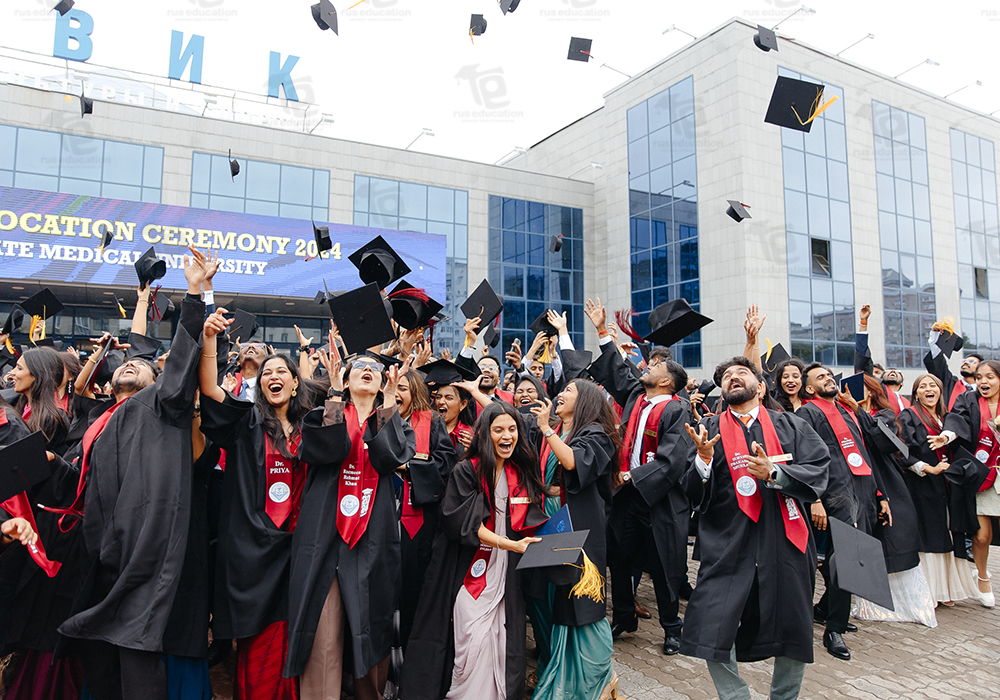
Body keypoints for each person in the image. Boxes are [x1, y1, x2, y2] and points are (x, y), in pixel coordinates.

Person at [57, 247, 213, 700]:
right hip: (97, 553)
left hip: (141, 551)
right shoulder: (98, 421)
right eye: (127, 361)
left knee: (136, 660)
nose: (132, 362)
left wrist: (194, 293)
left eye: (143, 366)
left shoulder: (160, 408)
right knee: (100, 664)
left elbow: (179, 366)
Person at [682, 357, 829, 700]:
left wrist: (776, 474)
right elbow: (689, 490)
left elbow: (820, 467)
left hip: (785, 538)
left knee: (794, 626)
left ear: (761, 387)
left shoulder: (790, 426)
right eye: (727, 377)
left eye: (742, 373)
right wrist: (703, 460)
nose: (733, 378)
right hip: (727, 540)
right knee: (711, 624)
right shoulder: (707, 428)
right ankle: (735, 695)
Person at [284, 348, 415, 700]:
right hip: (325, 534)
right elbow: (326, 450)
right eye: (359, 366)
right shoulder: (321, 415)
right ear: (345, 377)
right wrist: (335, 396)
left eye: (375, 367)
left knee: (369, 625)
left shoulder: (395, 421)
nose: (368, 370)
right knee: (323, 630)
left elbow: (389, 457)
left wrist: (389, 402)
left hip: (373, 536)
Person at [401, 402, 546, 700]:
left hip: (507, 573)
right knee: (471, 636)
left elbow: (532, 517)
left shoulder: (520, 472)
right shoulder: (467, 471)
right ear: (485, 435)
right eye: (498, 430)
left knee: (501, 640)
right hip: (467, 570)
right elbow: (464, 523)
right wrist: (511, 545)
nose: (507, 436)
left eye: (512, 429)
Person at [584, 297, 694, 656]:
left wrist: (632, 476)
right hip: (625, 497)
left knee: (662, 565)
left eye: (655, 366)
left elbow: (673, 460)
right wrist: (602, 331)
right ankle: (624, 616)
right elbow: (618, 370)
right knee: (619, 558)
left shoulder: (677, 410)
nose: (647, 366)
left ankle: (672, 627)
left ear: (667, 381)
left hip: (657, 499)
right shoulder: (637, 397)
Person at [526, 380, 619, 700]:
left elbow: (573, 462)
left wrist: (545, 429)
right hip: (547, 525)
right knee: (542, 598)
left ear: (586, 401)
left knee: (579, 604)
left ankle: (599, 677)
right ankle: (553, 664)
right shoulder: (554, 430)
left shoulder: (596, 434)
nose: (561, 394)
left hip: (578, 533)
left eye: (569, 391)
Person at [796, 362, 888, 661]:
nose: (828, 379)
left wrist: (880, 495)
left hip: (862, 490)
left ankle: (827, 609)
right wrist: (815, 499)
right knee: (844, 559)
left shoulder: (848, 411)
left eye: (828, 375)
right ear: (810, 388)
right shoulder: (807, 414)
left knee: (853, 558)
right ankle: (833, 629)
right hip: (833, 493)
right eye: (820, 377)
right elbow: (806, 459)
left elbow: (864, 454)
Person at [852, 373, 935, 627]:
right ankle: (871, 603)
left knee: (895, 536)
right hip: (863, 483)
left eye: (859, 387)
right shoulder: (846, 416)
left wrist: (858, 410)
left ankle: (909, 604)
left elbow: (882, 442)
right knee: (871, 540)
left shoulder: (885, 415)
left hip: (888, 481)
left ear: (871, 391)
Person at [897, 374, 977, 605]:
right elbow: (901, 450)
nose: (928, 389)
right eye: (922, 386)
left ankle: (946, 590)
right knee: (929, 534)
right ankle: (929, 591)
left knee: (948, 533)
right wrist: (927, 468)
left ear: (940, 391)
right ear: (916, 393)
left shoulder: (947, 418)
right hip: (922, 484)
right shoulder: (908, 415)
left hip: (949, 485)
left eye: (933, 385)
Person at [396, 367, 459, 650]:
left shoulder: (431, 421)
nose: (396, 394)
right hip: (380, 515)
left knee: (413, 584)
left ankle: (409, 652)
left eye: (402, 388)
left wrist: (408, 466)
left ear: (415, 392)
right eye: (393, 388)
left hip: (417, 519)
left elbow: (446, 463)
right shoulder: (376, 419)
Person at [932, 359, 1000, 609]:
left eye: (990, 377)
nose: (983, 381)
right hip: (980, 475)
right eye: (979, 377)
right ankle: (982, 577)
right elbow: (956, 422)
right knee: (981, 536)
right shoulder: (968, 400)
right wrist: (946, 436)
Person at [10, 347, 70, 454]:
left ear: (37, 374)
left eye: (19, 368)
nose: (12, 373)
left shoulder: (51, 419)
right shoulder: (17, 403)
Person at [455, 317, 514, 405]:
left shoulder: (510, 399)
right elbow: (460, 369)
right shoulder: (466, 398)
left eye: (492, 368)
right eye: (482, 367)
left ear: (499, 380)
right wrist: (470, 342)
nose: (486, 370)